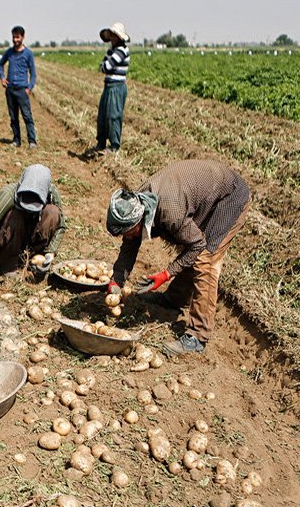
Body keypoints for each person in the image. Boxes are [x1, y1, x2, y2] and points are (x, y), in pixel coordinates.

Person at [105, 160, 251, 355]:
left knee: (205, 259)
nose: (127, 236)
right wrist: (116, 281)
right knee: (190, 245)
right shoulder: (137, 203)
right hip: (205, 195)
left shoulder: (169, 212)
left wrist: (167, 274)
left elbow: (197, 245)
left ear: (139, 220)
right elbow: (130, 245)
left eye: (128, 231)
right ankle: (174, 300)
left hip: (229, 199)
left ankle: (198, 337)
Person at [0, 164, 66, 277]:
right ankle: (9, 264)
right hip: (6, 244)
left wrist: (50, 252)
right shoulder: (8, 194)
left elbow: (61, 226)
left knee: (53, 212)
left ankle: (34, 261)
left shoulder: (52, 194)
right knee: (15, 216)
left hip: (30, 243)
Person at [0, 26, 37, 147]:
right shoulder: (9, 52)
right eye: (14, 37)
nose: (15, 40)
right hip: (10, 89)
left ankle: (32, 141)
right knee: (13, 116)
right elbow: (0, 65)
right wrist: (2, 78)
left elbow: (33, 73)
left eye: (18, 37)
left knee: (27, 116)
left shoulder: (28, 54)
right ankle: (16, 140)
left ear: (23, 37)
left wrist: (29, 88)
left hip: (22, 90)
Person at [96, 22, 131, 153]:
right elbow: (102, 67)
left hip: (117, 87)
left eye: (115, 36)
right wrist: (105, 65)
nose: (113, 38)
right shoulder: (111, 50)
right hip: (108, 86)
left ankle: (114, 146)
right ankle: (101, 143)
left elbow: (106, 66)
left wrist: (105, 65)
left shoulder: (122, 50)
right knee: (103, 116)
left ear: (120, 37)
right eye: (111, 35)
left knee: (113, 116)